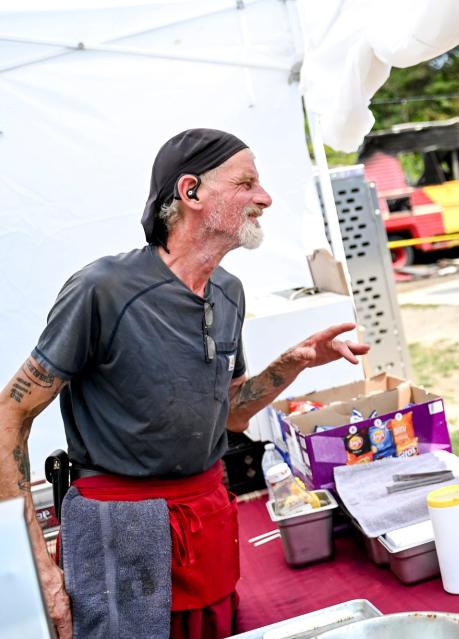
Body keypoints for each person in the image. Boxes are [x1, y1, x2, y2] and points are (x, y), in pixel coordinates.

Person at [0, 128, 369, 639]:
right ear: (191, 192)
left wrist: (296, 361)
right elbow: (9, 414)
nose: (265, 197)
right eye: (247, 183)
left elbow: (234, 413)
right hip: (118, 535)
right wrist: (39, 568)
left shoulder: (229, 292)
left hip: (207, 520)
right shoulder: (102, 289)